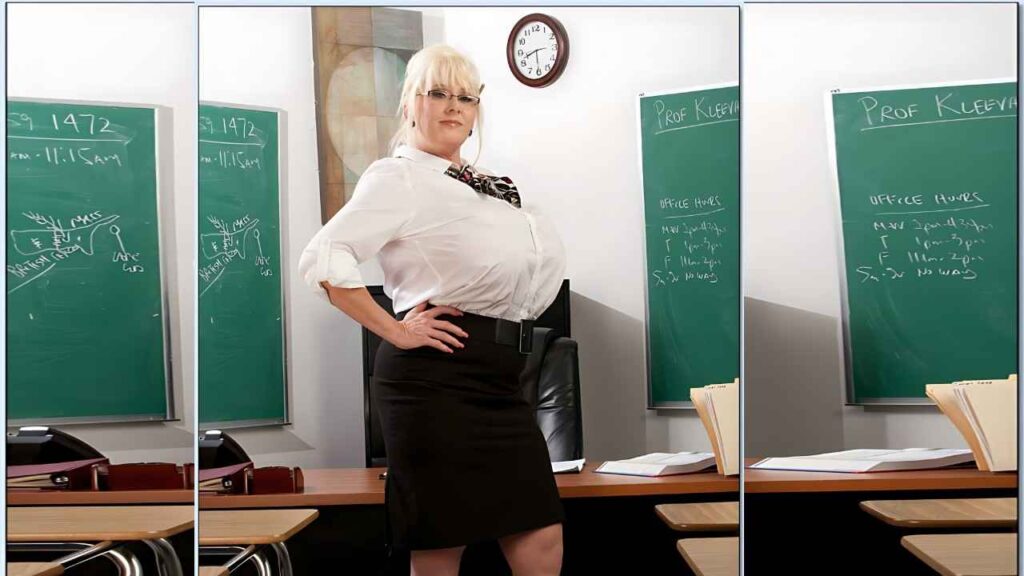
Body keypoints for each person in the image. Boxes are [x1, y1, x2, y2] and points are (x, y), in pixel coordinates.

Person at [298, 44, 566, 576]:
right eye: (438, 93)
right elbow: (324, 258)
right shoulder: (397, 178)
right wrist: (393, 332)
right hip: (433, 382)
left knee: (541, 535)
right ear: (409, 104)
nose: (453, 106)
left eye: (465, 97)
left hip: (502, 381)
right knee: (443, 545)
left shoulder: (491, 186)